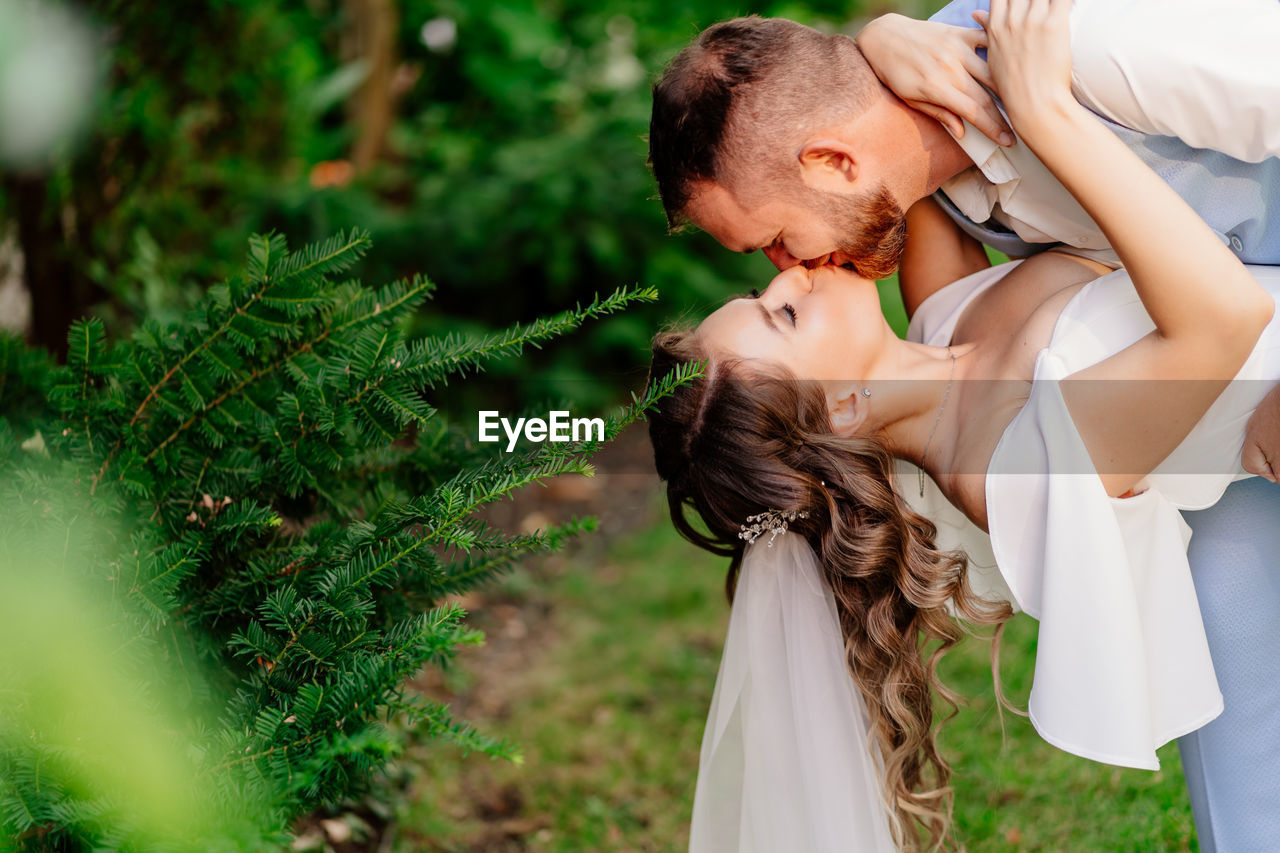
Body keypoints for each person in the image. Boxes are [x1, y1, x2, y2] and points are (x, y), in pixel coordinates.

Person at [646, 2, 1279, 849]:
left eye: (768, 282)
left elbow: (890, 159)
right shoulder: (1009, 472)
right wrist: (1047, 110)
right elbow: (1219, 322)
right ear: (838, 407)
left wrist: (884, 36)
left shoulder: (941, 319)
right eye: (782, 316)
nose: (792, 273)